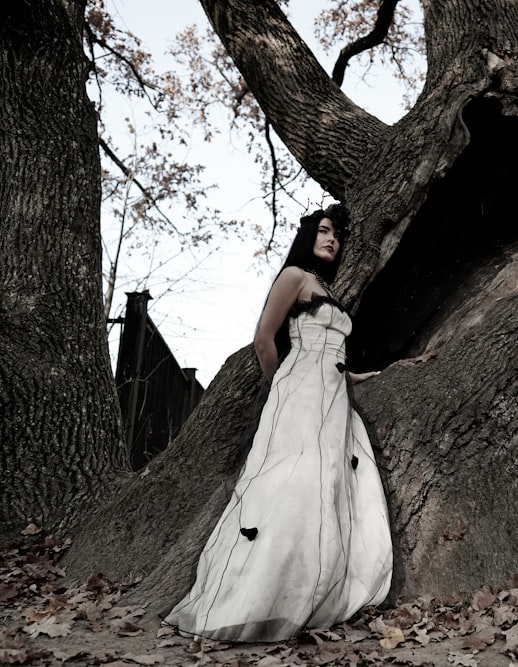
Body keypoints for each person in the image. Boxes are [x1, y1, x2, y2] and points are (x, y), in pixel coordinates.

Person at [164, 203, 393, 642]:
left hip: (333, 396)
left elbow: (334, 353)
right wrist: (283, 383)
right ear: (308, 236)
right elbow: (264, 338)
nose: (332, 240)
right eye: (324, 231)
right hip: (301, 391)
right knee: (291, 483)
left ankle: (307, 590)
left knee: (326, 487)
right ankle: (256, 600)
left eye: (336, 235)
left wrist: (354, 375)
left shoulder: (324, 285)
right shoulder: (294, 277)